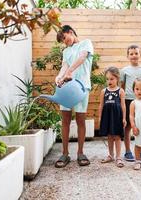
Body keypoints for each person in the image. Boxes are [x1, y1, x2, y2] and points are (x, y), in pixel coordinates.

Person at [54, 25, 93, 168]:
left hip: (82, 87)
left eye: (64, 38)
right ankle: (65, 154)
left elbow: (82, 58)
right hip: (66, 88)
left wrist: (70, 71)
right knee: (65, 120)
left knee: (80, 120)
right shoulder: (66, 51)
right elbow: (64, 67)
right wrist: (59, 77)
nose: (64, 42)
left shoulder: (86, 43)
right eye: (62, 41)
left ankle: (80, 153)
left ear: (70, 32)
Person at [120, 45, 141, 162]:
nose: (134, 56)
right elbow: (122, 87)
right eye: (131, 54)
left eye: (136, 53)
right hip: (129, 101)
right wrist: (122, 102)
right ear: (127, 56)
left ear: (140, 55)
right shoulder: (124, 70)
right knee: (128, 127)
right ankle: (128, 151)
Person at [99, 66, 126, 168]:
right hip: (107, 116)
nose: (109, 81)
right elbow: (101, 105)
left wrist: (124, 118)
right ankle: (111, 155)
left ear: (117, 79)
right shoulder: (104, 91)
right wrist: (100, 117)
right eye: (107, 79)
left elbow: (123, 106)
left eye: (111, 79)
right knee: (110, 136)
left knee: (117, 136)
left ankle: (118, 157)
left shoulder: (120, 91)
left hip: (117, 116)